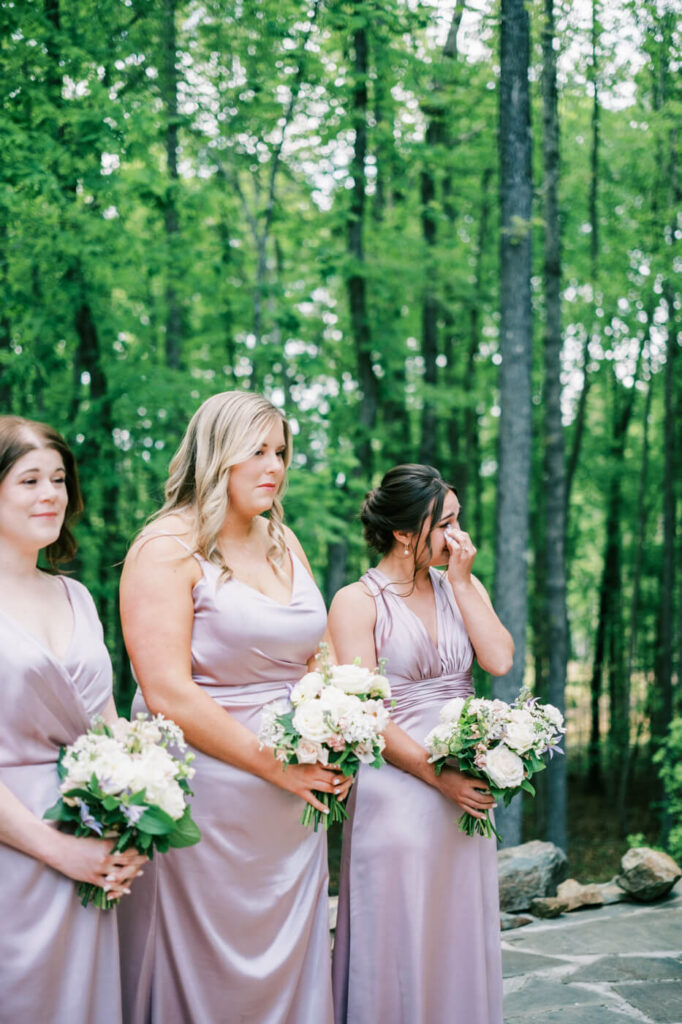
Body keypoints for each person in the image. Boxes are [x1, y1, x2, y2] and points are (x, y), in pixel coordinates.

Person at [117, 390, 350, 1024]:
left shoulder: (283, 538)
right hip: (208, 802)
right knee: (209, 972)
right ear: (218, 455)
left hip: (292, 802)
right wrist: (274, 764)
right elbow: (166, 690)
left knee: (289, 965)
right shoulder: (165, 549)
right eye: (257, 451)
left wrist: (337, 726)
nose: (274, 467)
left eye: (280, 452)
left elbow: (318, 649)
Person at [329, 464, 513, 1024]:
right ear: (405, 533)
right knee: (400, 925)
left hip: (463, 783)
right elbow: (365, 715)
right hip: (398, 785)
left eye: (459, 520)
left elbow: (499, 660)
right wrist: (438, 776)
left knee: (457, 925)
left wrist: (461, 583)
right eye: (446, 523)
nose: (459, 536)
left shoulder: (460, 583)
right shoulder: (355, 602)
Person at [0, 416, 145, 1024]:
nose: (51, 494)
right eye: (29, 480)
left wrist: (138, 825)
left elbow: (108, 722)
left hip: (91, 838)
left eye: (58, 479)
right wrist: (60, 853)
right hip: (17, 851)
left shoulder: (78, 595)